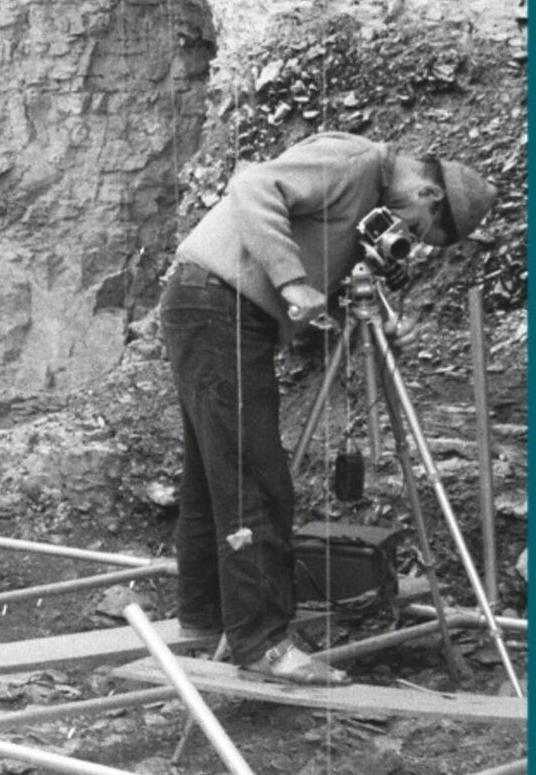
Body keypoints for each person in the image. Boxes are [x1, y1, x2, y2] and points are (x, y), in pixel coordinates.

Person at [159, 131, 497, 686]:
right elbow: (253, 184)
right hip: (219, 305)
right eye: (415, 229)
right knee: (258, 480)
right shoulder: (355, 162)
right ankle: (264, 645)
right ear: (430, 195)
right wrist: (292, 281)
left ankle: (206, 617)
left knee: (214, 476)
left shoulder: (369, 196)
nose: (404, 236)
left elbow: (319, 265)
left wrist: (367, 317)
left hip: (211, 304)